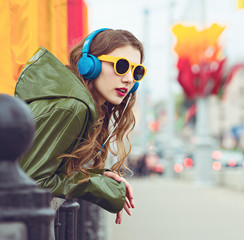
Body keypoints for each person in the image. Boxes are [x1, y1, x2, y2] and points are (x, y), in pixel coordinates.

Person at [14, 28, 146, 224]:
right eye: (120, 66)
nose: (129, 79)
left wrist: (97, 176)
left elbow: (44, 169)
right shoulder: (72, 107)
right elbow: (32, 180)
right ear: (89, 65)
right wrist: (97, 186)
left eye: (136, 71)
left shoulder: (75, 101)